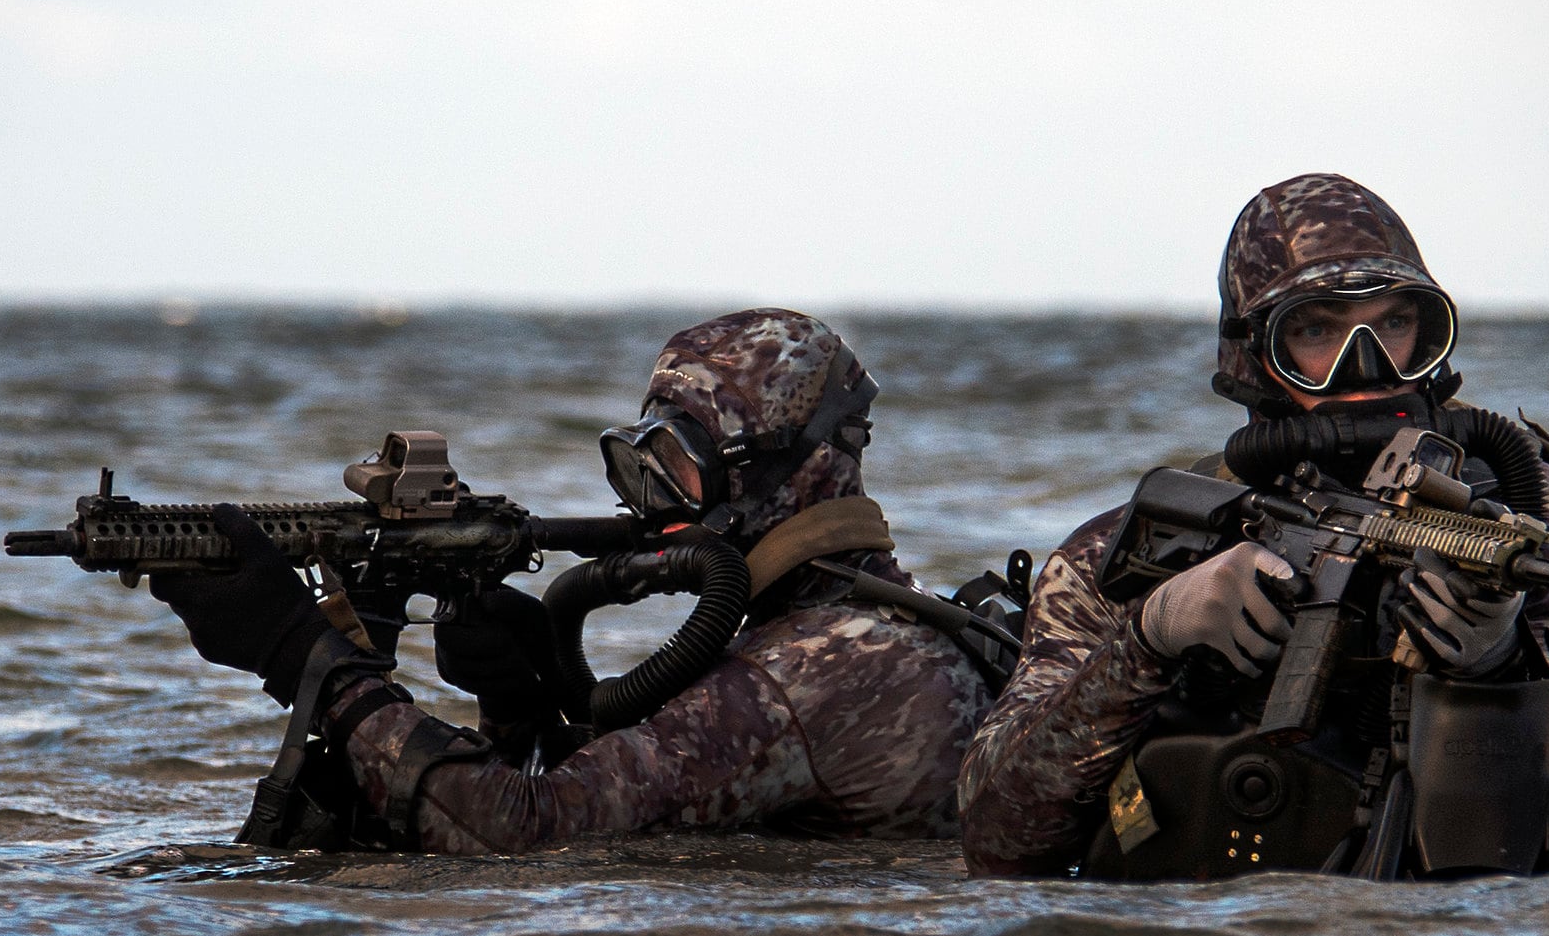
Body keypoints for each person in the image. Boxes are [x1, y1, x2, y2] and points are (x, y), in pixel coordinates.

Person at [958, 172, 1549, 879]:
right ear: (1254, 355)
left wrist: (1499, 669)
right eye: (1317, 330)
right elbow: (998, 842)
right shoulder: (1125, 548)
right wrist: (1147, 641)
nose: (1368, 367)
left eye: (1395, 324)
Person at [151, 309, 992, 855]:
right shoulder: (862, 636)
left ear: (781, 475)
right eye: (640, 463)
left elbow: (521, 837)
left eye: (679, 467)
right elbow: (629, 812)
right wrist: (525, 711)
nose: (657, 504)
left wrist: (304, 656)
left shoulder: (807, 674)